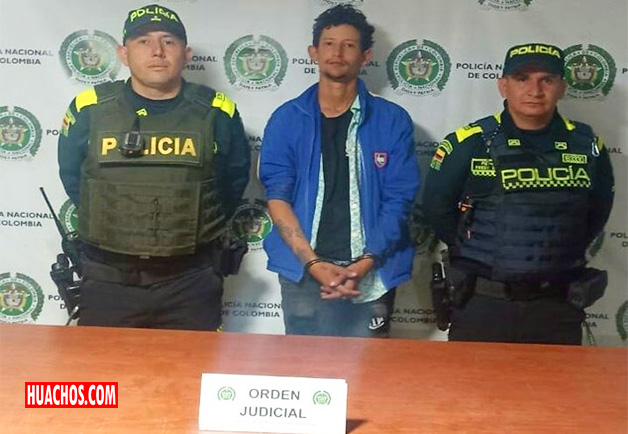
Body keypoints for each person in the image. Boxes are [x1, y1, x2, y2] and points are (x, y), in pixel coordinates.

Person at [57, 4, 250, 330]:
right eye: (143, 41)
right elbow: (74, 179)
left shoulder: (217, 111)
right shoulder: (88, 108)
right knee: (102, 363)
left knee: (192, 364)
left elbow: (232, 183)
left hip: (191, 281)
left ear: (186, 54)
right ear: (123, 53)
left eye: (168, 41)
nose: (157, 51)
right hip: (108, 280)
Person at [423, 43, 615, 345]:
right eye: (522, 78)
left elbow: (597, 212)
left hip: (557, 306)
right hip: (482, 303)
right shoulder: (470, 143)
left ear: (562, 87)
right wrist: (477, 252)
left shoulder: (587, 144)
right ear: (503, 85)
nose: (534, 90)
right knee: (472, 379)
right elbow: (437, 209)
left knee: (555, 379)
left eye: (546, 79)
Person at [259, 5, 420, 337]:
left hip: (373, 271)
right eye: (329, 44)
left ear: (365, 57)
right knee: (303, 364)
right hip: (304, 272)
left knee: (370, 367)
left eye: (349, 45)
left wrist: (365, 263)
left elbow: (399, 199)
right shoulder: (287, 119)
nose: (337, 53)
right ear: (313, 52)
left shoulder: (392, 120)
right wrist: (313, 264)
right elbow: (277, 198)